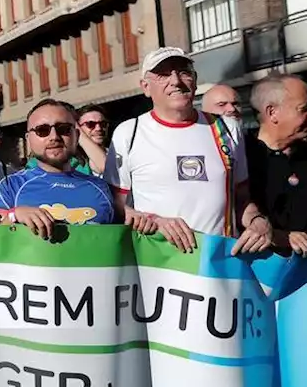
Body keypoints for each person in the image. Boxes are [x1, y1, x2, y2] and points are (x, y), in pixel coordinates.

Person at [104, 47, 270, 255]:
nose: (175, 81)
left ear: (195, 80)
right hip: (158, 264)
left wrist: (257, 221)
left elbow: (241, 198)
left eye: (183, 72)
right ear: (145, 87)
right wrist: (154, 221)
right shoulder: (129, 132)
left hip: (219, 265)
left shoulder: (227, 127)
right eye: (163, 74)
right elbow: (114, 207)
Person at [0, 100, 152, 240]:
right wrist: (14, 215)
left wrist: (148, 222)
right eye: (42, 130)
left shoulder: (101, 188)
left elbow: (130, 230)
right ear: (28, 139)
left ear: (76, 135)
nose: (54, 136)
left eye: (63, 129)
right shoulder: (10, 187)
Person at [244, 75, 307, 259]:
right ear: (272, 113)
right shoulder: (241, 158)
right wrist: (279, 237)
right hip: (261, 274)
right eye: (304, 109)